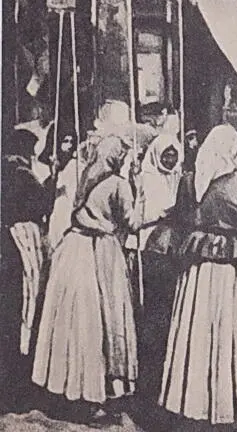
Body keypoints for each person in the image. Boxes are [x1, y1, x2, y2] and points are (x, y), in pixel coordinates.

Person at [159, 124, 237, 425]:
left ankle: (193, 399)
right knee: (233, 328)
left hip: (197, 266)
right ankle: (230, 399)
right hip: (232, 267)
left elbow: (181, 219)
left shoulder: (189, 180)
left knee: (197, 326)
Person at [31, 135, 143, 426]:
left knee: (77, 322)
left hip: (73, 247)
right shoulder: (118, 184)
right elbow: (132, 222)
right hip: (101, 251)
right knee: (105, 320)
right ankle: (100, 395)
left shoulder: (87, 176)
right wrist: (138, 188)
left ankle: (72, 390)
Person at [128, 134, 184, 403]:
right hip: (148, 245)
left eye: (173, 155)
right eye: (166, 154)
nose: (170, 159)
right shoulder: (145, 178)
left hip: (170, 247)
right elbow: (138, 216)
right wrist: (162, 213)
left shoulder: (178, 177)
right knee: (150, 305)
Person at [0, 130, 52, 413]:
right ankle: (16, 391)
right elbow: (42, 203)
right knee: (22, 308)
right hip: (21, 241)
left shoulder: (5, 171)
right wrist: (53, 182)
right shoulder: (23, 175)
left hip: (7, 239)